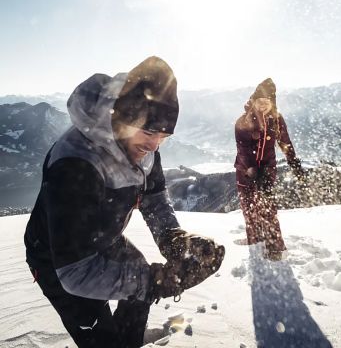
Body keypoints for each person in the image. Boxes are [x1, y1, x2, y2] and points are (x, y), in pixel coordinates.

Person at [24, 56, 225, 348]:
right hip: (58, 259)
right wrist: (154, 280)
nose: (155, 145)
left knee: (139, 288)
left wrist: (174, 239)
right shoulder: (75, 162)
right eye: (149, 132)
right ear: (125, 118)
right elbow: (74, 272)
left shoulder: (143, 148)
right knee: (102, 331)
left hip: (105, 237)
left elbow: (155, 201)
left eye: (164, 137)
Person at [234, 78, 304, 261]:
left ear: (272, 102)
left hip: (267, 169)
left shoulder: (277, 120)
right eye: (260, 101)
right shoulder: (243, 121)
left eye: (267, 101)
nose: (263, 105)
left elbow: (285, 143)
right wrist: (251, 170)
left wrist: (294, 163)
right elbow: (243, 149)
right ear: (254, 101)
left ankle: (275, 248)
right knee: (249, 207)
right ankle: (254, 241)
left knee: (268, 208)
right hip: (245, 170)